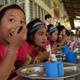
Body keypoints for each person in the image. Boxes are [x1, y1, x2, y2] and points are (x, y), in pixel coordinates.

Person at [0, 4, 31, 80]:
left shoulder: (22, 44)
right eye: (11, 20)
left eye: (22, 21)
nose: (18, 25)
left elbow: (27, 59)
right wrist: (13, 48)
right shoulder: (16, 45)